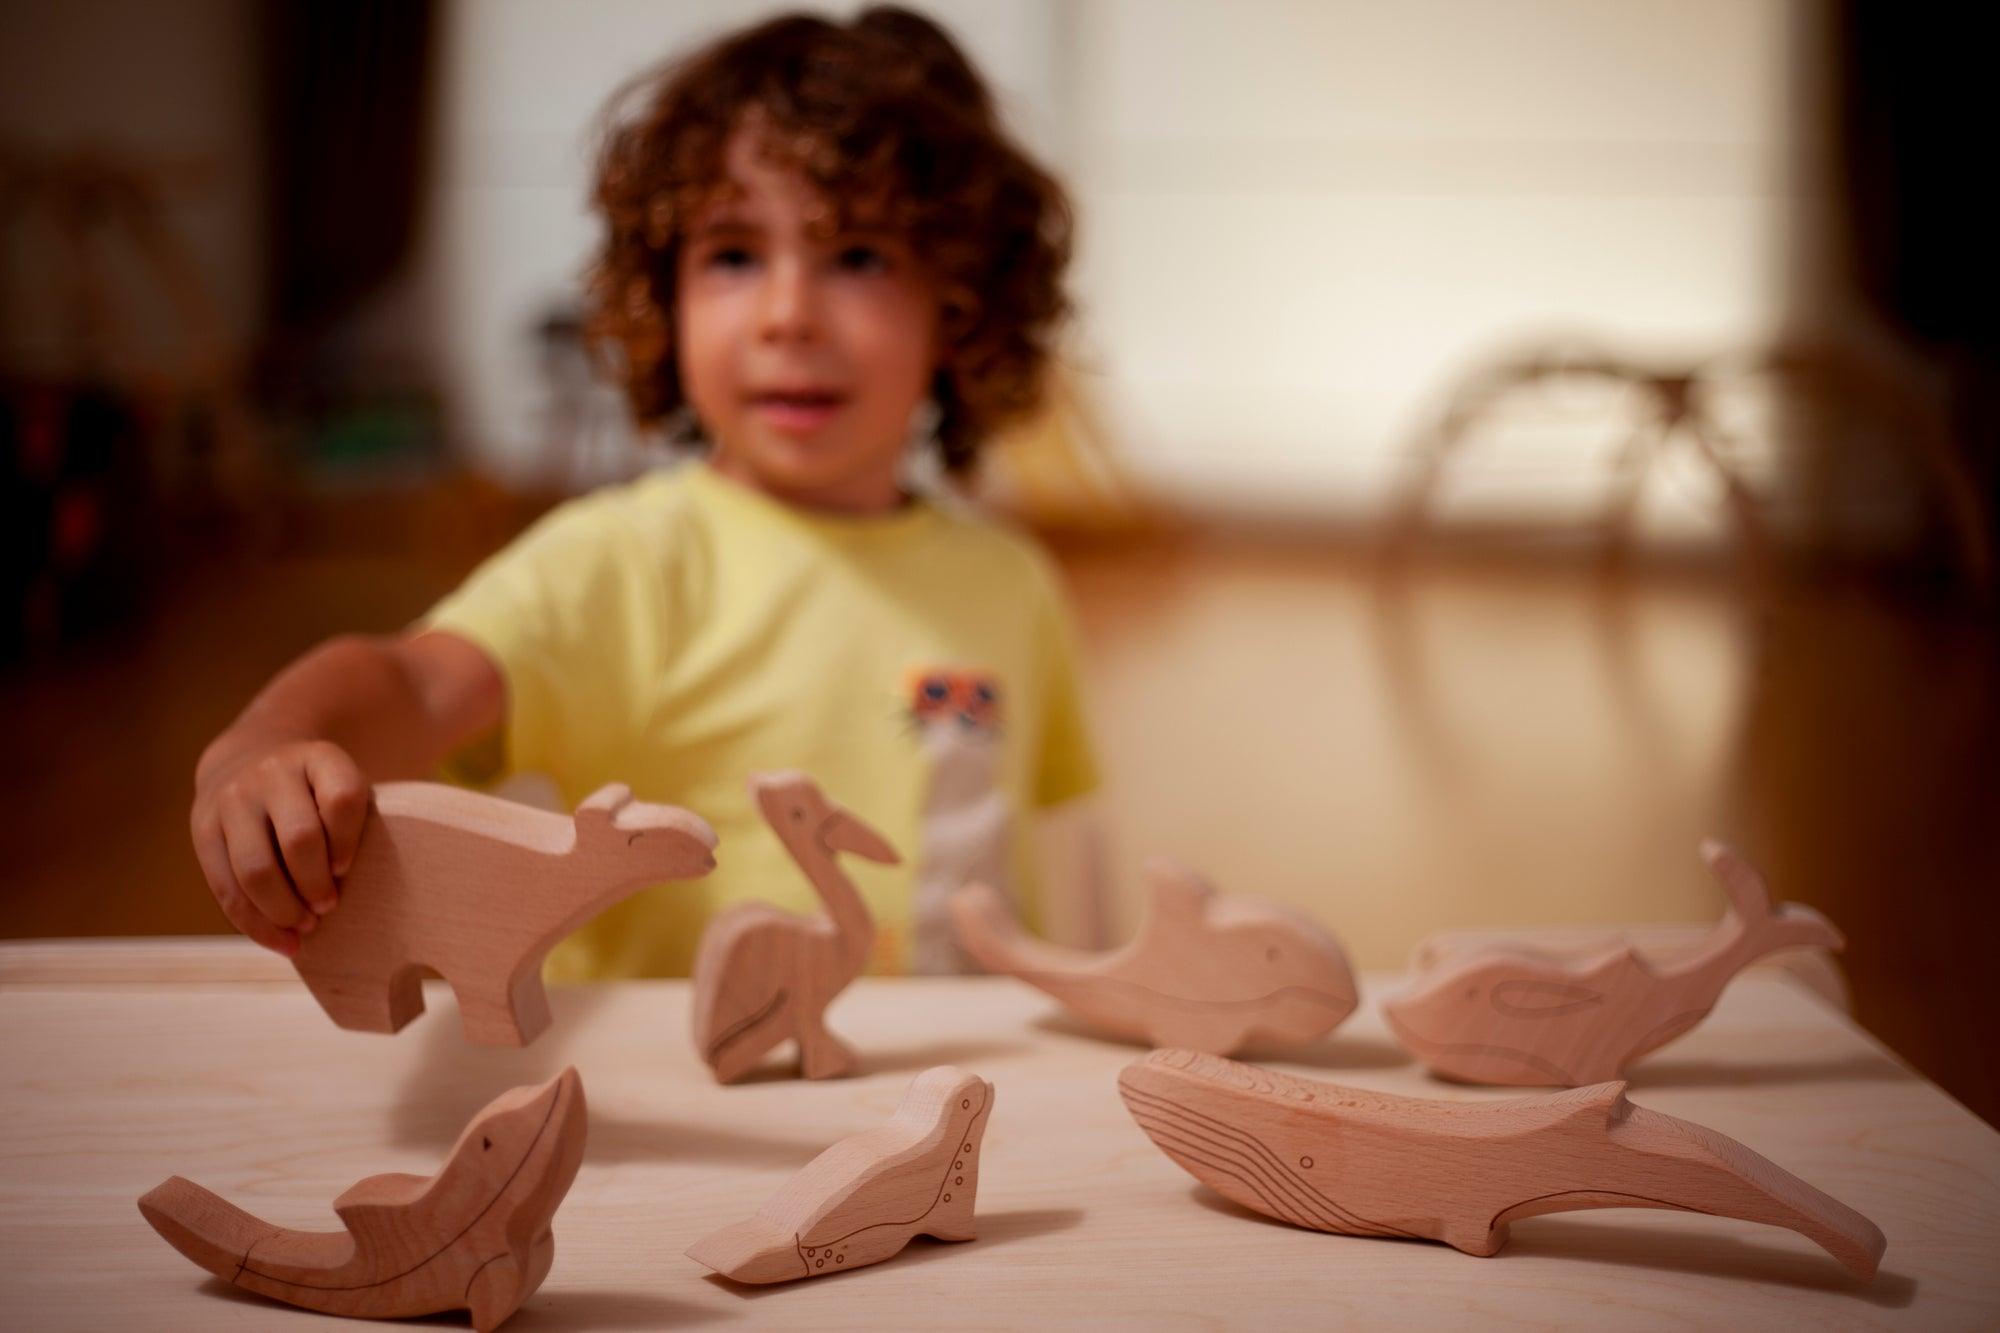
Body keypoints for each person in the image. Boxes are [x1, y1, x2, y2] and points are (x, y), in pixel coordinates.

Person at [188, 7, 1103, 979]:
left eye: (859, 256)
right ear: (663, 296)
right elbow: (414, 682)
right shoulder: (622, 559)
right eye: (734, 254)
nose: (787, 315)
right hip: (683, 1113)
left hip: (946, 1096)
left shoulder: (1012, 580)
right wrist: (270, 744)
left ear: (959, 304)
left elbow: (1057, 858)